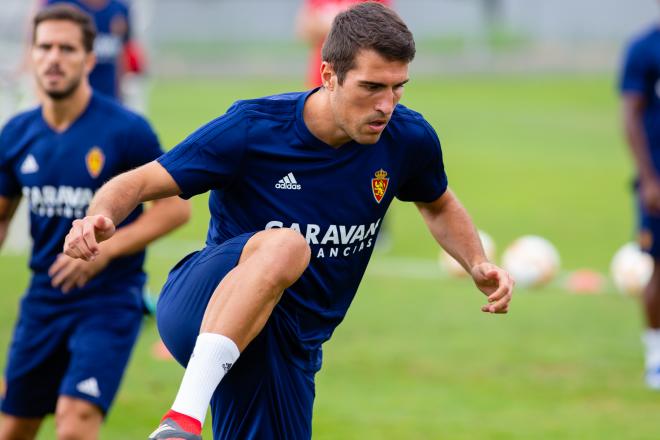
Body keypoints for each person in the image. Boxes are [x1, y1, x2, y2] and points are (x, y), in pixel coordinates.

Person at [64, 3, 514, 439]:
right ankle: (181, 420)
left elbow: (437, 203)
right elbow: (140, 182)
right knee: (287, 245)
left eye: (398, 87)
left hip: (290, 346)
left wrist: (476, 262)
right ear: (329, 76)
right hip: (201, 305)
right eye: (372, 86)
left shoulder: (408, 139)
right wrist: (97, 216)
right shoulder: (252, 128)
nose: (386, 104)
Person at [0, 4, 190, 439]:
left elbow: (175, 208)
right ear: (31, 56)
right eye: (44, 47)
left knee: (75, 421)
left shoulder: (127, 131)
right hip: (43, 299)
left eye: (67, 49)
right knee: (13, 429)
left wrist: (105, 251)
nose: (53, 58)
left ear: (89, 60)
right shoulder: (16, 134)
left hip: (108, 301)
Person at [620, 22, 660, 390]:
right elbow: (630, 114)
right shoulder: (645, 48)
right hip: (658, 180)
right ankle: (656, 358)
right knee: (659, 268)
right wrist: (648, 179)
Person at [42, 0, 141, 101]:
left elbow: (123, 54)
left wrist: (122, 94)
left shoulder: (119, 9)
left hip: (108, 98)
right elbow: (41, 49)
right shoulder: (57, 4)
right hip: (68, 103)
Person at [295, 0, 391, 88]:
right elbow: (305, 31)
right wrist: (348, 25)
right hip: (322, 74)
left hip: (360, 73)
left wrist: (329, 24)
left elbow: (379, 30)